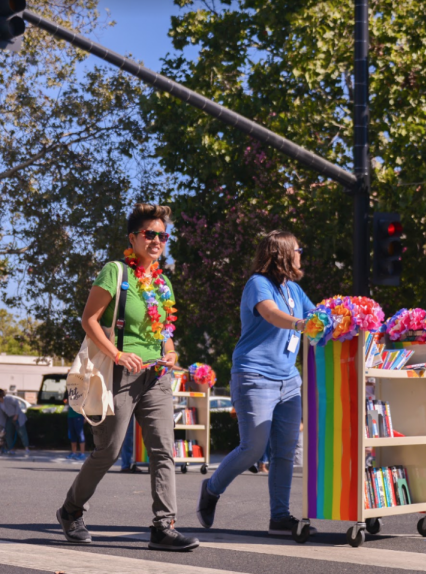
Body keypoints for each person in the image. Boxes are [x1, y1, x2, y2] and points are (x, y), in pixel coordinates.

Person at [56, 203, 199, 552]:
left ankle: (163, 526)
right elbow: (89, 320)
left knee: (163, 450)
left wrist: (170, 351)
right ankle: (71, 511)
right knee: (108, 450)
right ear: (133, 238)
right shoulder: (115, 272)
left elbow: (165, 327)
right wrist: (118, 354)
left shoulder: (163, 282)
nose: (156, 240)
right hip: (119, 372)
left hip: (157, 377)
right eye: (150, 234)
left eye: (162, 235)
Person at [196, 230, 317, 536]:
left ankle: (279, 517)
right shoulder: (257, 284)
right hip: (254, 376)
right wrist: (302, 324)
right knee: (253, 448)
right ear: (283, 254)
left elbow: (318, 315)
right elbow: (271, 314)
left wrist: (344, 318)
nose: (301, 253)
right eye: (297, 249)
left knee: (285, 452)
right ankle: (211, 488)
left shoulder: (294, 290)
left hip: (289, 381)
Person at [0, 389, 29, 456]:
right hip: (9, 418)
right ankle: (11, 449)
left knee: (22, 432)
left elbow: (17, 404)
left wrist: (16, 415)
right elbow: (0, 416)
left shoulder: (9, 399)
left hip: (18, 416)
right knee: (7, 433)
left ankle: (26, 448)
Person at [63, 389, 86, 461]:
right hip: (70, 415)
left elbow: (85, 403)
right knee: (72, 434)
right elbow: (65, 401)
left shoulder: (81, 389)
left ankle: (82, 453)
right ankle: (73, 452)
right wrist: (66, 401)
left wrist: (85, 416)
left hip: (78, 415)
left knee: (80, 434)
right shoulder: (69, 390)